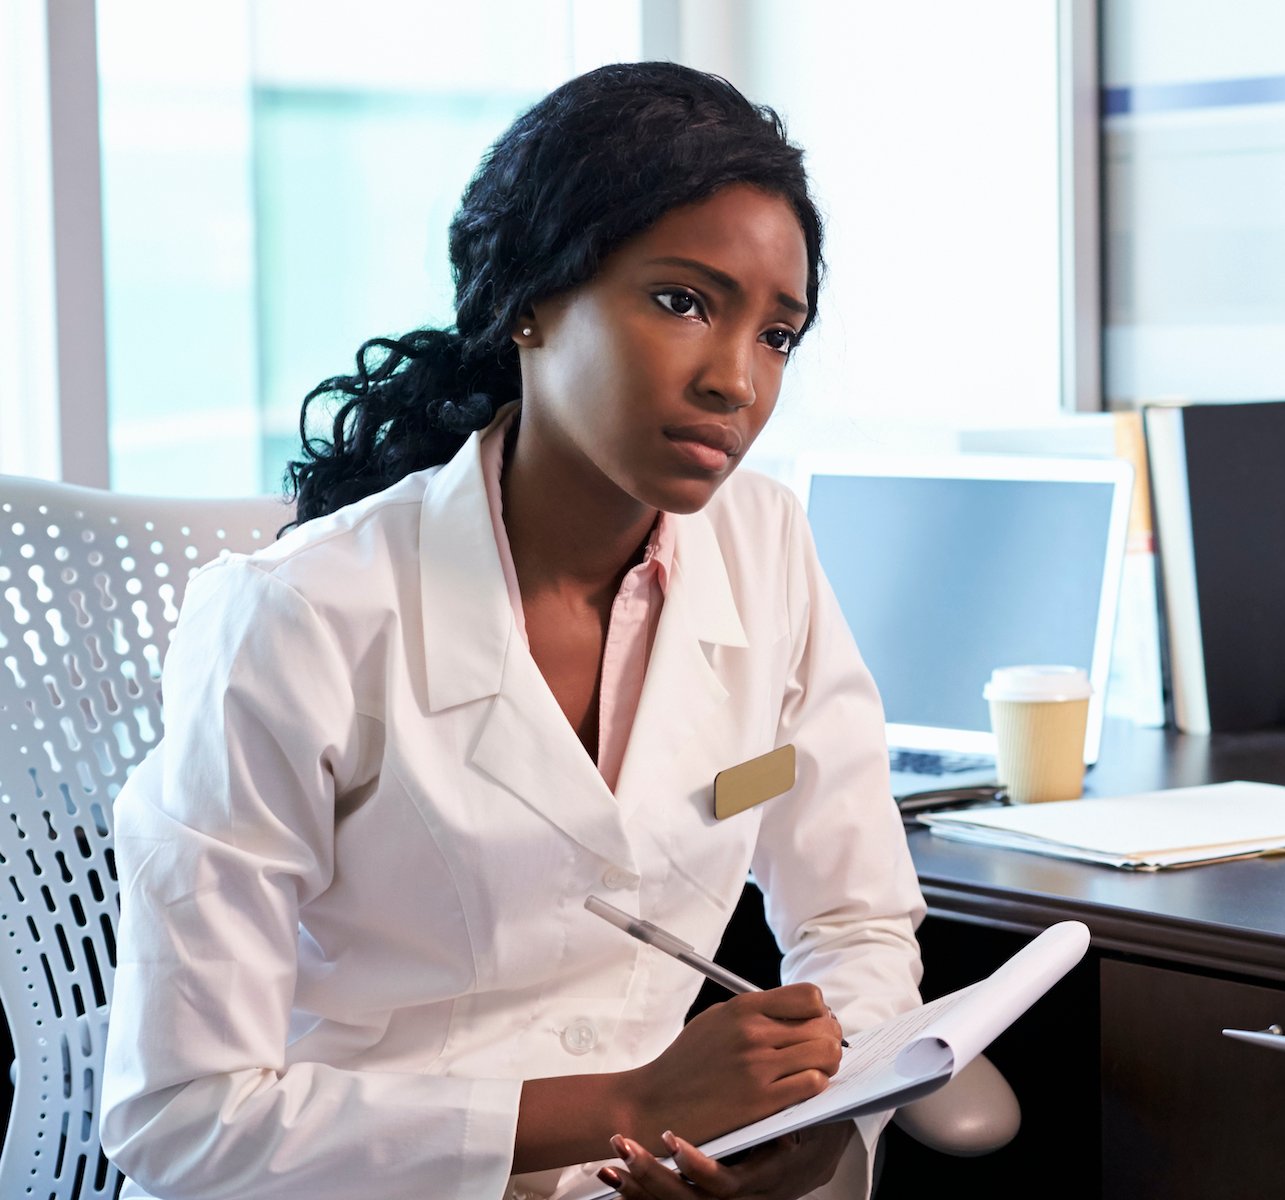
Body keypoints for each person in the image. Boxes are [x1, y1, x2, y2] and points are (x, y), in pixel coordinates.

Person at [97, 63, 922, 1200]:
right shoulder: (301, 615)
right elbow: (183, 1119)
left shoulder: (766, 546)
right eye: (683, 301)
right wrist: (632, 1104)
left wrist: (810, 1122)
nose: (737, 381)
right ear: (530, 301)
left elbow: (857, 918)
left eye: (779, 334)